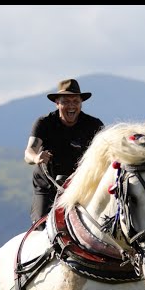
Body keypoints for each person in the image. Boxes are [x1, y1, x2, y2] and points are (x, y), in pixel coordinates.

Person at [24, 78, 104, 228]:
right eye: (66, 102)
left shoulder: (94, 125)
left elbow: (108, 151)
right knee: (42, 227)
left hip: (81, 187)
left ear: (81, 103)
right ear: (57, 103)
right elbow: (29, 152)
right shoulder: (45, 123)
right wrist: (36, 158)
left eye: (75, 102)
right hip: (47, 187)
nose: (71, 106)